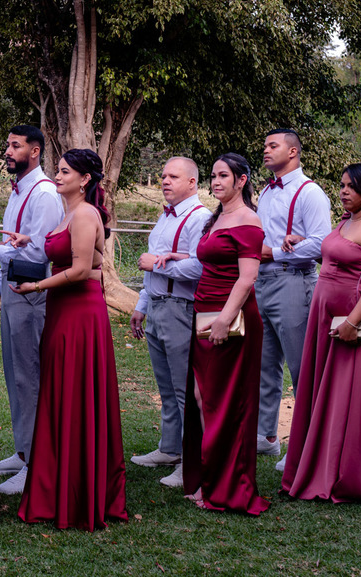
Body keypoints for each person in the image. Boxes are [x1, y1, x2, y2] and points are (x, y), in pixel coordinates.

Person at [280, 164, 361, 507]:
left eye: (351, 186)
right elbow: (336, 259)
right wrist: (302, 242)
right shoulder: (345, 222)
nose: (343, 191)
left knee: (353, 396)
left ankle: (352, 472)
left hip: (357, 320)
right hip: (326, 317)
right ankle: (320, 462)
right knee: (327, 390)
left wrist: (353, 321)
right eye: (342, 185)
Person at [14, 148, 127, 531]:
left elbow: (80, 270)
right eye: (57, 170)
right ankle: (57, 482)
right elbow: (88, 260)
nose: (57, 176)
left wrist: (36, 286)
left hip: (79, 313)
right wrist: (29, 240)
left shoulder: (84, 213)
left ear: (84, 179)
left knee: (76, 391)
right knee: (60, 390)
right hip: (63, 307)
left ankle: (79, 487)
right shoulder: (69, 213)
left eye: (64, 172)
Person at [183, 153, 269, 515]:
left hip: (232, 320)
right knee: (203, 397)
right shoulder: (216, 217)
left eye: (223, 176)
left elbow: (248, 277)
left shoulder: (249, 220)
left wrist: (224, 318)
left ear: (241, 180)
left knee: (226, 402)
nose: (216, 182)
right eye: (213, 176)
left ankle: (227, 485)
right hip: (203, 315)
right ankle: (209, 478)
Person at [0, 125, 64, 494]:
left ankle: (36, 462)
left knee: (30, 377)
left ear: (34, 151)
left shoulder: (44, 194)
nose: (7, 151)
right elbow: (16, 244)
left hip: (34, 295)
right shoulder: (19, 192)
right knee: (16, 375)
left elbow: (39, 252)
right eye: (7, 144)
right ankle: (22, 449)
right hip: (14, 291)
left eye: (15, 146)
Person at [128, 157, 212, 489]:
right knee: (165, 386)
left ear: (192, 182)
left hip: (181, 308)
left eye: (173, 176)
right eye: (163, 175)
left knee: (184, 388)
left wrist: (158, 266)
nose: (165, 181)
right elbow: (153, 268)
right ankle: (169, 447)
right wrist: (142, 305)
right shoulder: (165, 217)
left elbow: (200, 267)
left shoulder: (200, 218)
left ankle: (191, 460)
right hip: (158, 305)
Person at [255, 128, 331, 470]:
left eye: (273, 145)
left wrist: (273, 253)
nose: (266, 150)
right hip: (262, 283)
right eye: (265, 146)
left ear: (293, 152)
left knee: (301, 367)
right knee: (264, 364)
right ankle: (265, 436)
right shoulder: (266, 191)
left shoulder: (310, 192)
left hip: (293, 282)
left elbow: (321, 243)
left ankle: (304, 446)